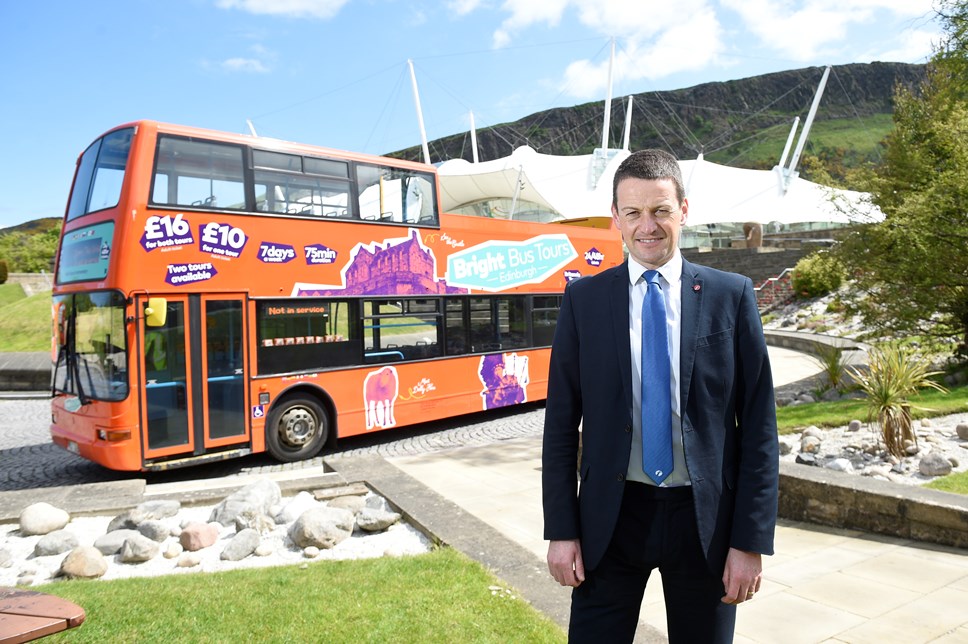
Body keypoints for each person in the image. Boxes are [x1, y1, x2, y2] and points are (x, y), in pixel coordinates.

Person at [542, 149, 779, 643]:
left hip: (705, 525)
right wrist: (561, 531)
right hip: (610, 520)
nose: (646, 225)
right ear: (616, 219)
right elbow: (561, 425)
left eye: (660, 210)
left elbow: (758, 428)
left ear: (683, 212)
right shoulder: (583, 301)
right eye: (633, 212)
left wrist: (749, 542)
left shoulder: (730, 295)